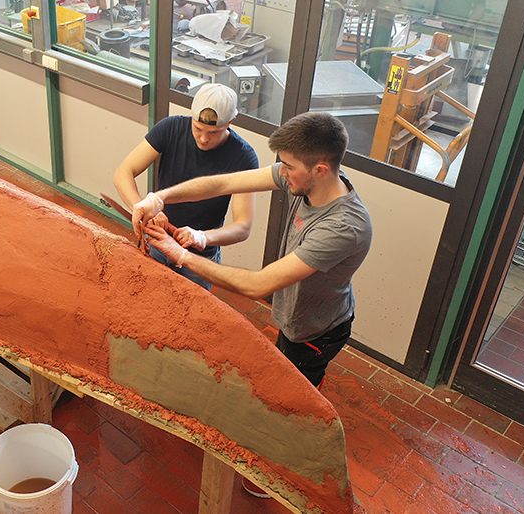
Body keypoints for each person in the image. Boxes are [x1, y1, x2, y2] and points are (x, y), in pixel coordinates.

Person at [135, 112, 371, 498]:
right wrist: (161, 196)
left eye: (289, 168)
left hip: (314, 331)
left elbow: (260, 284)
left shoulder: (343, 226)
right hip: (292, 316)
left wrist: (182, 255)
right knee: (282, 379)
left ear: (321, 169)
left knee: (294, 404)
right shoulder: (305, 178)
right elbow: (225, 183)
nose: (282, 173)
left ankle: (282, 472)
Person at [113, 83, 259, 289]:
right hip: (159, 241)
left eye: (214, 132)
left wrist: (201, 237)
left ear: (231, 121)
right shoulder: (170, 128)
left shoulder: (243, 157)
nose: (204, 138)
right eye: (198, 128)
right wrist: (143, 207)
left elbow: (243, 227)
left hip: (199, 258)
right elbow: (123, 173)